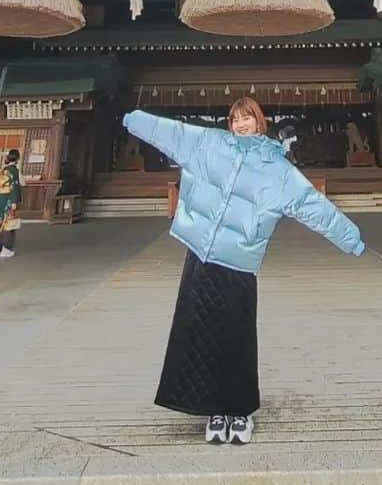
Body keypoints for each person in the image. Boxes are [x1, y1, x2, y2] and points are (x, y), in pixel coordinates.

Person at [123, 96, 365, 447]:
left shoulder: (276, 168)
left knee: (236, 338)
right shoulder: (210, 145)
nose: (240, 123)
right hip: (201, 255)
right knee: (198, 336)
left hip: (239, 262)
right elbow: (172, 133)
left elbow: (312, 205)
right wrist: (135, 119)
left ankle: (239, 411)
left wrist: (350, 238)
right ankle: (213, 410)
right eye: (235, 118)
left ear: (259, 121)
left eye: (247, 117)